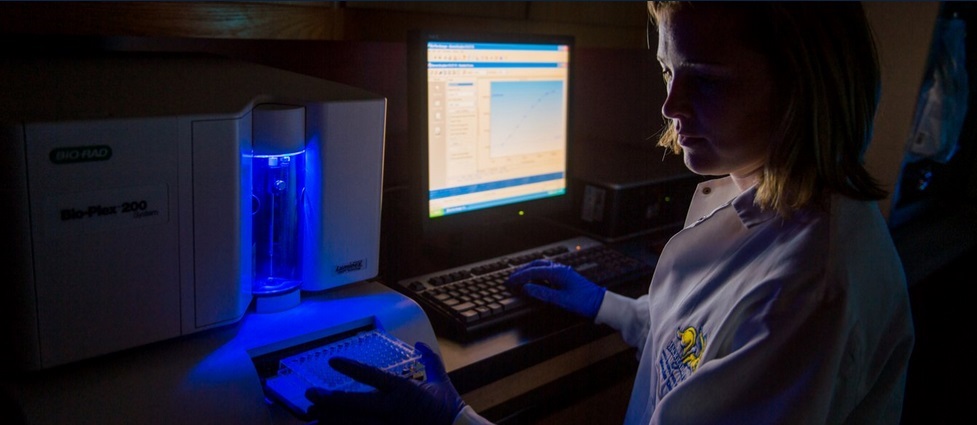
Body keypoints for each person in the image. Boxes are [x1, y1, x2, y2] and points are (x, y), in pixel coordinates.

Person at [304, 2, 916, 424]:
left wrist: (452, 418)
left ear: (804, 85)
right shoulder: (753, 190)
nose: (671, 106)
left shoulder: (812, 289)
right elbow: (697, 345)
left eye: (704, 81)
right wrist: (606, 304)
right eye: (668, 71)